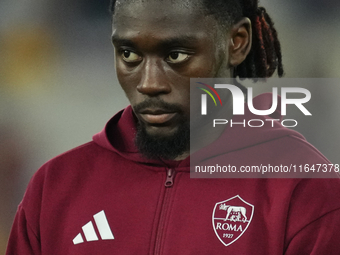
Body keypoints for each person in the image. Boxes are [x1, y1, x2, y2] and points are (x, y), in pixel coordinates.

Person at [6, 0, 340, 254]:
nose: (149, 84)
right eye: (129, 54)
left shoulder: (305, 190)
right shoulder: (56, 186)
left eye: (176, 55)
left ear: (237, 43)